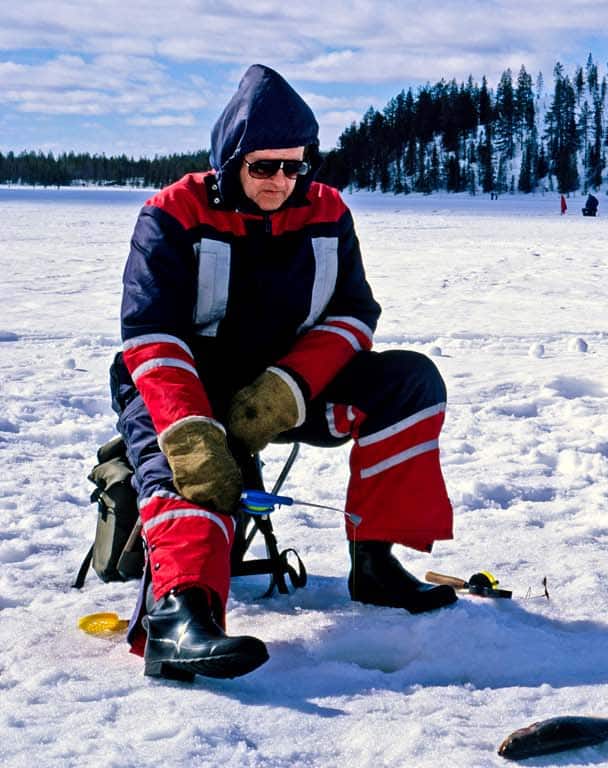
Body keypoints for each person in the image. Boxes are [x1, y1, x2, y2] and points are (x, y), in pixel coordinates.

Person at [112, 64, 458, 681]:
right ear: (231, 160)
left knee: (411, 383)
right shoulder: (171, 214)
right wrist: (191, 427)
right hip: (185, 383)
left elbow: (355, 312)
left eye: (293, 166)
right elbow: (151, 334)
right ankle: (182, 618)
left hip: (290, 386)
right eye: (263, 167)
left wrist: (286, 391)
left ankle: (375, 564)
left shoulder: (327, 212)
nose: (279, 181)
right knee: (189, 464)